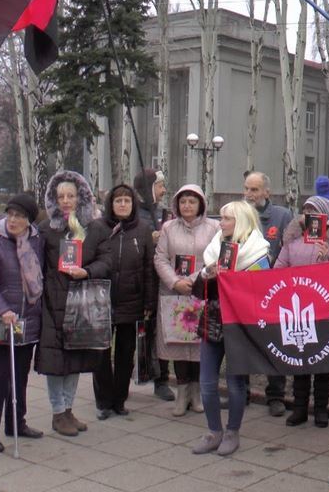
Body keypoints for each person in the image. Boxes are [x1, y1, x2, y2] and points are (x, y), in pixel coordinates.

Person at [191, 201, 270, 456]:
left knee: (236, 384)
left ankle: (232, 432)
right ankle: (214, 432)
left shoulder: (259, 254)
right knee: (207, 382)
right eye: (221, 217)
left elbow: (263, 294)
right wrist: (206, 275)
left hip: (240, 325)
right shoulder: (215, 248)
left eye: (227, 218)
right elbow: (197, 293)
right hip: (213, 319)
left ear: (242, 222)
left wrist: (237, 279)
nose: (221, 222)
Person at [37, 170, 111, 436]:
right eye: (61, 196)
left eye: (71, 195)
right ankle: (58, 413)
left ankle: (68, 409)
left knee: (76, 359)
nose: (66, 201)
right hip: (53, 303)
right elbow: (37, 266)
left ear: (81, 197)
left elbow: (107, 260)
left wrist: (87, 271)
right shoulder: (46, 229)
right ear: (54, 200)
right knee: (56, 362)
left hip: (83, 303)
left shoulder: (95, 227)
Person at [0, 194, 45, 453]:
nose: (13, 220)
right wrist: (1, 308)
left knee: (20, 375)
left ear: (29, 221)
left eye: (20, 216)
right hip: (0, 320)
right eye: (10, 214)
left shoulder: (36, 241)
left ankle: (16, 422)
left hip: (28, 321)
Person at [275, 195, 329, 428]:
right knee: (299, 358)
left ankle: (320, 409)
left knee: (322, 360)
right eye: (306, 209)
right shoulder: (292, 237)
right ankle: (299, 407)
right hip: (297, 307)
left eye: (314, 210)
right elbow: (279, 266)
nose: (308, 214)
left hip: (323, 308)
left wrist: (325, 256)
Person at [154, 185, 218, 417]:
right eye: (183, 202)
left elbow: (217, 257)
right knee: (179, 345)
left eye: (192, 201)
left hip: (202, 292)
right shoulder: (169, 227)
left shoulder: (214, 228)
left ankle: (197, 393)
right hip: (175, 294)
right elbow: (160, 258)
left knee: (199, 345)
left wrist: (192, 279)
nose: (187, 206)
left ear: (200, 203)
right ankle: (182, 393)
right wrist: (174, 281)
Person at [92, 184, 156, 419]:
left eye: (127, 201)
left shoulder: (143, 229)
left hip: (132, 300)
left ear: (133, 204)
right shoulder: (98, 227)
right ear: (111, 204)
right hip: (102, 300)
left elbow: (149, 268)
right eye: (118, 200)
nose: (122, 204)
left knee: (125, 353)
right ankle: (104, 401)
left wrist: (149, 301)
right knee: (100, 353)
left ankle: (120, 399)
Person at [243, 171, 292, 416]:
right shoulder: (238, 215)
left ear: (266, 192)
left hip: (274, 293)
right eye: (247, 189)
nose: (250, 195)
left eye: (254, 190)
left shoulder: (282, 216)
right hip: (243, 292)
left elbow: (291, 247)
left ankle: (276, 395)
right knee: (241, 341)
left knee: (276, 344)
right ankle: (240, 391)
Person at [134, 168, 175, 402]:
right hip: (140, 282)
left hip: (162, 279)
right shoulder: (135, 214)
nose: (163, 190)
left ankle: (162, 378)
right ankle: (141, 372)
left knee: (162, 331)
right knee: (141, 332)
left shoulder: (163, 214)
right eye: (159, 185)